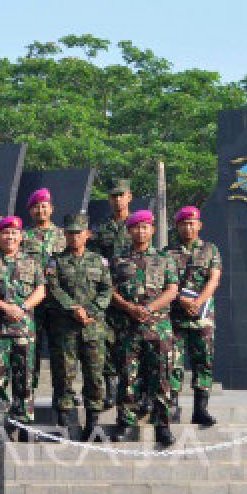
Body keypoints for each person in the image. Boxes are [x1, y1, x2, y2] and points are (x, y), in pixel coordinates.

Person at [110, 209, 180, 446]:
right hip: (128, 327)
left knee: (161, 376)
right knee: (128, 377)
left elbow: (172, 290)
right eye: (136, 227)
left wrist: (149, 309)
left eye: (145, 227)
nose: (141, 231)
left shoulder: (164, 259)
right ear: (129, 231)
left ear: (152, 230)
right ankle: (126, 423)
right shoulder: (119, 260)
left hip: (158, 327)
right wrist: (129, 307)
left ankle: (163, 425)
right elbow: (110, 291)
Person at [0, 215, 45, 440]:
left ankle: (24, 424)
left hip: (24, 330)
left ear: (21, 236)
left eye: (14, 233)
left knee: (24, 378)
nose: (10, 237)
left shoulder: (32, 262)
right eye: (6, 233)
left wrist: (22, 307)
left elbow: (41, 291)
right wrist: (5, 307)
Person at [46, 212, 112, 441]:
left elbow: (107, 290)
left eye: (79, 233)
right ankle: (64, 423)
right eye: (71, 233)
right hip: (65, 327)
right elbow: (53, 289)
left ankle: (92, 423)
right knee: (64, 375)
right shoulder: (56, 261)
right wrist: (74, 308)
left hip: (93, 328)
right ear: (64, 234)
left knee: (94, 376)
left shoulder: (99, 261)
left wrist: (91, 310)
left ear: (88, 234)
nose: (75, 237)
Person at [168, 205, 221, 428]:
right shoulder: (168, 253)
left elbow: (214, 279)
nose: (188, 227)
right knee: (173, 363)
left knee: (203, 362)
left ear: (199, 225)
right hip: (177, 318)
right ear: (178, 226)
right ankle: (171, 408)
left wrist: (198, 303)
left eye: (192, 223)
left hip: (203, 317)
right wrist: (181, 299)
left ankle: (201, 409)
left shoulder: (211, 250)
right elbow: (166, 282)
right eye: (184, 224)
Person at [90, 178, 134, 409]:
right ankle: (110, 389)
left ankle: (134, 391)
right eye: (113, 196)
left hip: (134, 295)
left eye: (121, 195)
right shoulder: (101, 230)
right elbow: (96, 262)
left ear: (129, 197)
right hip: (108, 295)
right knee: (107, 342)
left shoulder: (138, 225)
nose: (117, 200)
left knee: (133, 344)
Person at [22, 188, 64, 402]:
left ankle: (64, 392)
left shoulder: (63, 235)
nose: (41, 210)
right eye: (36, 207)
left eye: (44, 206)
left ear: (51, 209)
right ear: (31, 211)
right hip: (32, 300)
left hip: (58, 302)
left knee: (61, 349)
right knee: (32, 349)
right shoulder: (23, 236)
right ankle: (29, 389)